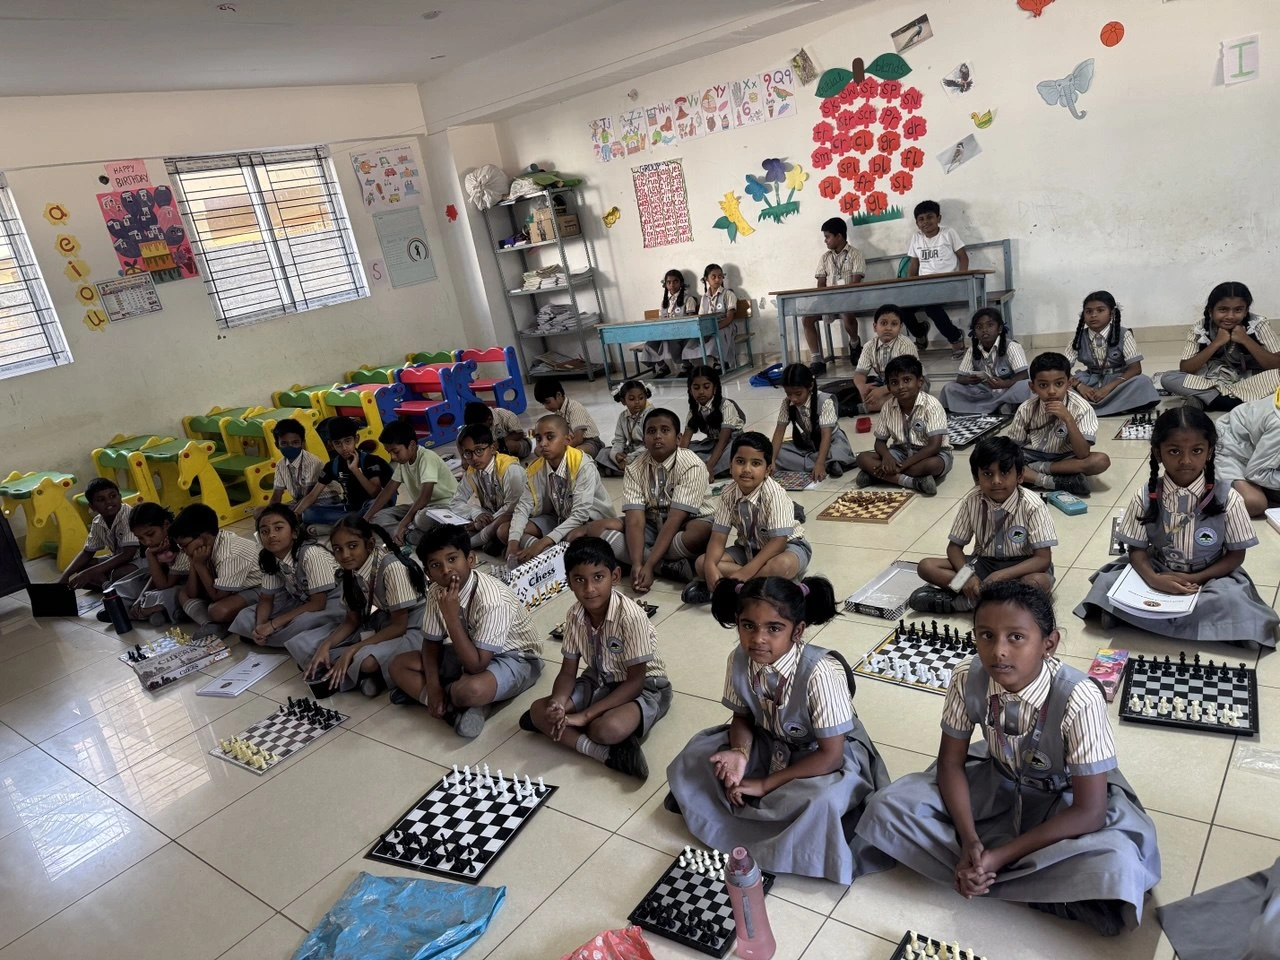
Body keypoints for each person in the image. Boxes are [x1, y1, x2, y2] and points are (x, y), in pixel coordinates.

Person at [856, 581, 1162, 936]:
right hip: (994, 780)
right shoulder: (966, 678)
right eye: (986, 635)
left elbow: (1089, 811)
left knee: (1118, 863)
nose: (998, 651)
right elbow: (950, 764)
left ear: (1049, 644)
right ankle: (1029, 885)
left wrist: (998, 856)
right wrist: (970, 840)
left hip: (1065, 800)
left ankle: (987, 871)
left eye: (1016, 637)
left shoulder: (1080, 697)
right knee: (886, 805)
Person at [665, 576, 890, 885]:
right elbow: (742, 718)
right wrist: (740, 755)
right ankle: (759, 822)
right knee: (695, 756)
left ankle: (767, 832)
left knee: (822, 801)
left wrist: (765, 784)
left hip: (821, 756)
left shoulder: (820, 673)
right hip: (768, 739)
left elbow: (832, 756)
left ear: (797, 631)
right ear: (737, 622)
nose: (758, 638)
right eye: (748, 626)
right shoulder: (739, 659)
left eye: (774, 628)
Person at [1075, 406, 1279, 646]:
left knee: (1232, 598)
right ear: (1158, 453)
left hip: (1210, 575)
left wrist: (1200, 577)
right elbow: (1136, 551)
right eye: (1174, 451)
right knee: (1107, 583)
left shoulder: (1228, 498)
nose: (1186, 460)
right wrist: (1153, 579)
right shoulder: (1145, 495)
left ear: (1210, 452)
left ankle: (1131, 616)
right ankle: (1220, 628)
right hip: (1160, 568)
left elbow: (1236, 556)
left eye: (1197, 451)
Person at [520, 537, 671, 779]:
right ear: (568, 582)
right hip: (599, 679)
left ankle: (588, 729)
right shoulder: (574, 615)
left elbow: (635, 682)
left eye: (598, 577)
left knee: (605, 729)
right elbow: (568, 672)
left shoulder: (631, 616)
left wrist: (585, 715)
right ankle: (605, 755)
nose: (589, 589)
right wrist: (558, 705)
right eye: (579, 580)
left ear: (615, 575)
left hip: (646, 687)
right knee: (540, 710)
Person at [388, 525, 542, 737]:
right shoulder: (436, 590)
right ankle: (451, 708)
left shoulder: (492, 599)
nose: (446, 570)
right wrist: (433, 688)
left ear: (470, 560)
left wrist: (451, 618)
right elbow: (431, 643)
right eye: (435, 565)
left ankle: (452, 700)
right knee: (398, 665)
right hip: (468, 649)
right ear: (427, 573)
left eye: (452, 559)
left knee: (472, 690)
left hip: (515, 657)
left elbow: (477, 666)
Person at [909, 437, 1057, 614]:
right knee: (927, 567)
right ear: (976, 478)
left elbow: (1042, 559)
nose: (996, 481)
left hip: (1022, 568)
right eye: (987, 474)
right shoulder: (971, 501)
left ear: (1020, 476)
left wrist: (1000, 576)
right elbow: (954, 548)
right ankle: (993, 598)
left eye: (1004, 473)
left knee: (1037, 582)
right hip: (982, 566)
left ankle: (961, 603)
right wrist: (968, 577)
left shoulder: (1033, 505)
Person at [293, 514, 428, 697]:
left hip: (414, 625)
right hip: (385, 619)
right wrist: (326, 645)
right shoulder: (350, 571)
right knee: (305, 645)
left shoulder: (391, 567)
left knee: (367, 661)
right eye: (338, 549)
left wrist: (353, 649)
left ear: (370, 544)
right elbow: (351, 621)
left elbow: (399, 626)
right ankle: (361, 673)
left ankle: (373, 674)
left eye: (352, 546)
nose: (345, 555)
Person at [682, 432, 813, 605]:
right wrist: (710, 567)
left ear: (768, 470)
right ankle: (759, 588)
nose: (746, 469)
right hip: (749, 549)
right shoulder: (728, 494)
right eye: (740, 461)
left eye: (756, 463)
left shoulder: (774, 494)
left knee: (782, 566)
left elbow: (778, 542)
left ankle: (735, 587)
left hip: (787, 547)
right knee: (701, 562)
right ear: (730, 466)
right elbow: (718, 537)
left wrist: (745, 573)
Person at [618, 408, 715, 591]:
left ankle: (647, 560)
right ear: (644, 439)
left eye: (665, 430)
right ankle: (666, 567)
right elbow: (636, 520)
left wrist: (647, 565)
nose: (658, 436)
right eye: (651, 431)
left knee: (699, 534)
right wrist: (638, 564)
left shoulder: (691, 464)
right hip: (654, 522)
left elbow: (675, 519)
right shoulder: (634, 468)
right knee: (603, 531)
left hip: (691, 520)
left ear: (678, 438)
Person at [228, 504, 346, 653]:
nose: (271, 535)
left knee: (303, 622)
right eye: (264, 531)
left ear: (294, 533)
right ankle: (266, 637)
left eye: (278, 528)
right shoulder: (269, 557)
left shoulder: (311, 553)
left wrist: (272, 625)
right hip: (300, 598)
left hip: (330, 599)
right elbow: (266, 598)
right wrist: (260, 625)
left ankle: (275, 638)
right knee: (246, 615)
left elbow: (318, 603)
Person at [507, 414, 616, 564]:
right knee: (507, 531)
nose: (543, 444)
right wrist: (512, 544)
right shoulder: (536, 468)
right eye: (538, 439)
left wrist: (543, 541)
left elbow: (580, 515)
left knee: (573, 537)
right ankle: (549, 555)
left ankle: (548, 553)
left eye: (550, 437)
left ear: (568, 440)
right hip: (560, 517)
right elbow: (523, 507)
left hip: (590, 521)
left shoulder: (582, 465)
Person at [1161, 281, 1280, 411]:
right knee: (1168, 378)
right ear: (1211, 311)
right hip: (1213, 381)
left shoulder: (1258, 324)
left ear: (1246, 311)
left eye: (1238, 310)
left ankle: (1208, 401)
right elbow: (1186, 368)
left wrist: (1245, 339)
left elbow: (1276, 364)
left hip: (1252, 380)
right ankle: (1239, 403)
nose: (1230, 316)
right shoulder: (1199, 328)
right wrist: (1216, 342)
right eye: (1223, 310)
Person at [1006, 352, 1111, 497]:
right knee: (995, 458)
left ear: (1069, 383)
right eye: (1043, 385)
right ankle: (1052, 481)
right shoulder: (1026, 408)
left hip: (1065, 459)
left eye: (1059, 384)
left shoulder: (1082, 408)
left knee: (1100, 461)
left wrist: (1068, 419)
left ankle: (1031, 474)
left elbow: (1083, 453)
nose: (1051, 391)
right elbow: (1013, 447)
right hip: (1029, 456)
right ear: (1032, 387)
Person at [854, 355, 952, 496]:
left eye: (907, 380)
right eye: (894, 382)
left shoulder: (932, 405)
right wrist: (887, 457)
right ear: (888, 387)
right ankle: (914, 482)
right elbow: (879, 443)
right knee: (862, 458)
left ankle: (877, 476)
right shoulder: (888, 406)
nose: (901, 387)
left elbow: (933, 446)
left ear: (919, 382)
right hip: (900, 452)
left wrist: (900, 467)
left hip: (929, 455)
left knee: (934, 465)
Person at [169, 502, 264, 635]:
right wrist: (194, 563)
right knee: (183, 593)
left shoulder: (231, 552)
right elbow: (191, 593)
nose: (183, 551)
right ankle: (210, 624)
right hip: (229, 590)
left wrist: (200, 565)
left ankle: (225, 623)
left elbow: (217, 597)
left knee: (218, 610)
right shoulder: (203, 548)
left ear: (204, 537)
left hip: (260, 587)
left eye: (184, 546)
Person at [362, 419, 458, 546]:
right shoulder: (404, 462)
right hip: (421, 508)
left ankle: (410, 534)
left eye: (395, 452)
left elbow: (425, 497)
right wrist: (365, 518)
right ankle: (410, 535)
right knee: (378, 516)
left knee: (421, 519)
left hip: (446, 506)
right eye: (389, 452)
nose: (393, 457)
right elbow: (388, 491)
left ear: (412, 445)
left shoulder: (426, 458)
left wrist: (402, 524)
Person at [1064, 291, 1160, 417]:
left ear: (1112, 313)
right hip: (1089, 382)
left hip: (1117, 381)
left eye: (1100, 310)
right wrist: (1080, 386)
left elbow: (1136, 369)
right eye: (1088, 311)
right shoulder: (1078, 338)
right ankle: (1119, 407)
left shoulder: (1124, 334)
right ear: (1083, 315)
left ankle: (1085, 408)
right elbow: (1061, 367)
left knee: (1142, 381)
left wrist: (1108, 388)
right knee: (1055, 385)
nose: (1093, 315)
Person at [58, 479, 144, 609]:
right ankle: (109, 585)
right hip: (118, 558)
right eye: (101, 499)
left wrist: (91, 573)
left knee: (117, 574)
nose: (109, 502)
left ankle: (109, 584)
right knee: (81, 571)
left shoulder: (129, 515)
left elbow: (128, 554)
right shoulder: (98, 522)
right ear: (92, 506)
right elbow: (87, 552)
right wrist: (65, 576)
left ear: (120, 497)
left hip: (140, 559)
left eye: (113, 496)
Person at [292, 416, 392, 527]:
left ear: (357, 439)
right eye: (338, 443)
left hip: (373, 506)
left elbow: (375, 493)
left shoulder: (371, 461)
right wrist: (294, 515)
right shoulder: (332, 465)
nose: (344, 447)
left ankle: (349, 523)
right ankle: (354, 523)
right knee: (308, 513)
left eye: (348, 441)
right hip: (350, 509)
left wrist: (355, 470)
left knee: (377, 506)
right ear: (331, 444)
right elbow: (313, 495)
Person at [898, 200, 969, 358]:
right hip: (924, 286)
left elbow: (963, 258)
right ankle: (920, 333)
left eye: (930, 217)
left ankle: (955, 337)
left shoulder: (948, 233)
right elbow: (913, 264)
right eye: (921, 219)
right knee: (902, 308)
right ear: (917, 223)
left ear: (939, 218)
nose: (925, 222)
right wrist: (910, 285)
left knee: (931, 308)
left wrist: (962, 280)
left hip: (947, 283)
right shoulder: (916, 238)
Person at [803, 217, 867, 375]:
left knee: (846, 312)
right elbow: (821, 284)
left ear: (839, 236)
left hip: (850, 298)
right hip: (828, 299)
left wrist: (841, 299)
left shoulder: (855, 254)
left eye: (827, 236)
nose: (825, 241)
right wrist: (825, 300)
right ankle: (817, 359)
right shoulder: (825, 257)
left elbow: (856, 282)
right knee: (807, 318)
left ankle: (854, 343)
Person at [447, 424, 525, 552]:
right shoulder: (472, 472)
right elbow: (456, 501)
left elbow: (512, 507)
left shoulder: (510, 469)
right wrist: (477, 513)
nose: (474, 458)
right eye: (468, 453)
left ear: (493, 447)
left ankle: (470, 545)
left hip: (515, 516)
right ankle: (489, 540)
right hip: (492, 517)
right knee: (455, 529)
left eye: (479, 450)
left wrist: (480, 524)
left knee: (499, 530)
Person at [771, 363, 855, 480]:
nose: (793, 399)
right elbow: (779, 432)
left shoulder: (824, 401)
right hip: (808, 444)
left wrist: (819, 464)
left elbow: (826, 436)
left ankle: (820, 462)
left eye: (798, 393)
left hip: (831, 441)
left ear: (810, 386)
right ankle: (829, 464)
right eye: (788, 394)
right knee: (777, 452)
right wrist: (772, 460)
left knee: (839, 450)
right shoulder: (787, 403)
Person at [940, 307, 1031, 415]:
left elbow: (1024, 375)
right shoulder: (972, 350)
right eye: (979, 327)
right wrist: (970, 380)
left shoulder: (1011, 346)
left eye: (990, 325)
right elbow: (960, 378)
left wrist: (1005, 383)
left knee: (1026, 386)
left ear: (1000, 329)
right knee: (949, 388)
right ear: (974, 332)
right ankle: (1001, 407)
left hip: (1006, 389)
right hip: (983, 392)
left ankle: (997, 405)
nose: (984, 330)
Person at [1216, 390, 1280, 517]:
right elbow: (1256, 473)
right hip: (1232, 450)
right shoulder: (1278, 424)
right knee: (1254, 503)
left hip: (1260, 450)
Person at [851, 303, 919, 414]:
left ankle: (861, 408)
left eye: (894, 324)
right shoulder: (869, 346)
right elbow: (860, 374)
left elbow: (907, 376)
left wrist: (882, 390)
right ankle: (874, 403)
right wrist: (862, 387)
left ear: (900, 327)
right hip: (886, 381)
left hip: (910, 381)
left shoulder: (906, 344)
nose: (888, 328)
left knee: (907, 395)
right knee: (861, 388)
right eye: (883, 323)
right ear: (875, 327)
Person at [681, 364, 745, 479]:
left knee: (736, 453)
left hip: (731, 443)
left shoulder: (726, 405)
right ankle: (720, 469)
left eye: (706, 387)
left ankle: (704, 470)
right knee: (685, 450)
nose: (701, 392)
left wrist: (710, 465)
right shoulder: (694, 410)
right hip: (713, 444)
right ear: (690, 390)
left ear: (714, 388)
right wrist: (679, 462)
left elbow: (723, 440)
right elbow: (685, 440)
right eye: (696, 388)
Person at [124, 502, 183, 625]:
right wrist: (141, 596)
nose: (147, 542)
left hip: (185, 586)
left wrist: (149, 555)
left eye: (150, 534)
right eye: (140, 538)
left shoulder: (180, 542)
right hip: (167, 581)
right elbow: (155, 575)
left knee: (171, 594)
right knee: (130, 583)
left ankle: (148, 611)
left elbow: (163, 585)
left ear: (166, 525)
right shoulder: (160, 544)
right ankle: (148, 609)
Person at [267, 419, 336, 521]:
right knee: (259, 512)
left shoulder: (312, 462)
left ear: (302, 443)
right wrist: (270, 513)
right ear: (277, 445)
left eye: (295, 443)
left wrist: (291, 514)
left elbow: (309, 496)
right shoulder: (280, 464)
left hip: (322, 501)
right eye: (284, 443)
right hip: (299, 502)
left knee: (306, 514)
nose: (290, 447)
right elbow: (277, 494)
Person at [681, 263, 738, 373]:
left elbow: (729, 318)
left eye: (720, 276)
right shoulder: (704, 298)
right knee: (691, 343)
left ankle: (721, 362)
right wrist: (706, 330)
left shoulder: (728, 294)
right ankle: (696, 365)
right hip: (708, 326)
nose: (717, 279)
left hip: (725, 325)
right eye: (713, 276)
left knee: (716, 339)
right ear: (706, 279)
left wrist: (715, 328)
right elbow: (701, 317)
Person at [643, 269, 696, 378]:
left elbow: (692, 319)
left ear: (681, 283)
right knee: (650, 344)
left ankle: (687, 365)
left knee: (674, 343)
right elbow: (661, 320)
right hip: (666, 332)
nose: (672, 284)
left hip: (682, 332)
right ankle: (663, 367)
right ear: (665, 285)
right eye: (669, 282)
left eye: (675, 281)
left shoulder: (688, 299)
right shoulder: (664, 302)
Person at [533, 378, 605, 458]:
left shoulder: (575, 408)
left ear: (558, 395)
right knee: (537, 450)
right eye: (543, 404)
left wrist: (559, 450)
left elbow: (578, 439)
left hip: (590, 442)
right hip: (569, 442)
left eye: (548, 402)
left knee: (578, 452)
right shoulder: (557, 412)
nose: (546, 407)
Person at [597, 379, 652, 477]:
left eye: (641, 398)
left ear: (646, 397)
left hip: (647, 450)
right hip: (631, 451)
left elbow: (650, 444)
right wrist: (617, 455)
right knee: (604, 452)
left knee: (651, 454)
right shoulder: (623, 417)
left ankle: (620, 470)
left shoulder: (651, 415)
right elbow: (619, 441)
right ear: (623, 401)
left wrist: (629, 458)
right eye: (632, 399)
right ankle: (629, 469)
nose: (637, 402)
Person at [463, 400, 530, 462]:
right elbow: (460, 438)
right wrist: (463, 459)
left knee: (507, 445)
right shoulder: (473, 423)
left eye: (481, 427)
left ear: (490, 419)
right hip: (492, 450)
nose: (479, 430)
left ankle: (506, 462)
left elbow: (519, 434)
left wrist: (499, 443)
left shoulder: (506, 416)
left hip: (520, 444)